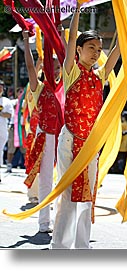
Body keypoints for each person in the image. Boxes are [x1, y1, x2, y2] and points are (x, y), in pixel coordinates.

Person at [51, 1, 120, 249]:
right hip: (70, 140)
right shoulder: (72, 71)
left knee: (88, 197)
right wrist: (78, 9)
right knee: (69, 196)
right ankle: (59, 247)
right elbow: (69, 41)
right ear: (79, 50)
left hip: (90, 145)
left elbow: (116, 54)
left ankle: (82, 247)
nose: (95, 52)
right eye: (90, 47)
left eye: (98, 48)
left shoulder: (99, 76)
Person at [22, 30, 63, 233]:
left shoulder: (65, 86)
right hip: (46, 135)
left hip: (65, 135)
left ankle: (62, 221)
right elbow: (30, 66)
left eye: (58, 68)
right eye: (52, 67)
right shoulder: (38, 87)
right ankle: (44, 223)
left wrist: (61, 36)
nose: (55, 71)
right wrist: (25, 41)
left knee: (64, 179)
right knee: (47, 179)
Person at [6, 87, 26, 173]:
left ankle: (27, 166)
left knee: (25, 148)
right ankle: (9, 165)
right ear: (17, 93)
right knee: (11, 147)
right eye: (20, 92)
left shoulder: (26, 103)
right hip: (14, 127)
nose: (21, 93)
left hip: (22, 127)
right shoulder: (12, 102)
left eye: (22, 92)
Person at [0, 80, 13, 183]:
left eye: (1, 87)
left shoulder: (6, 101)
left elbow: (9, 114)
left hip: (2, 129)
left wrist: (1, 113)